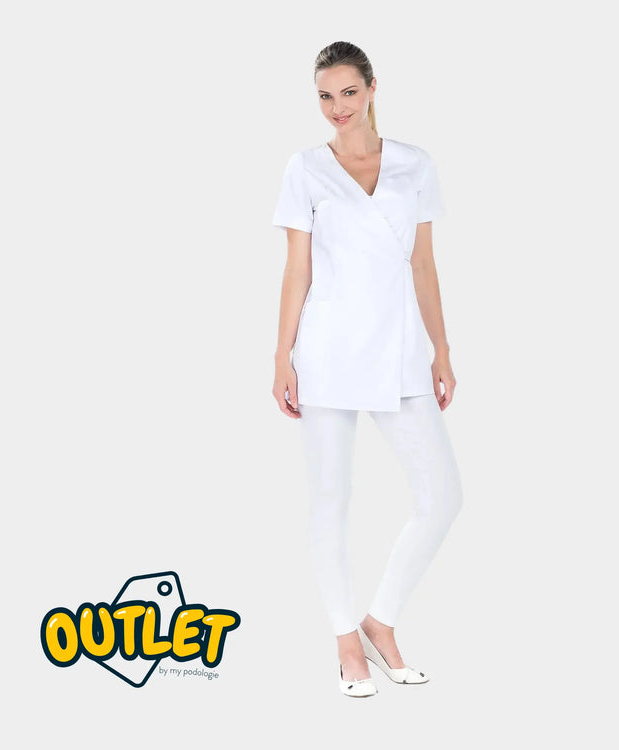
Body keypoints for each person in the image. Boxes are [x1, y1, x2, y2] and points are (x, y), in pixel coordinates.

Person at [271, 41, 462, 698]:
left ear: (373, 88)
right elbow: (297, 269)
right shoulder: (304, 169)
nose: (337, 108)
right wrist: (281, 357)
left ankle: (380, 621)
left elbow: (423, 264)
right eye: (325, 96)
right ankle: (345, 641)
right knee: (331, 499)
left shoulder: (414, 165)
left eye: (348, 92)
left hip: (400, 348)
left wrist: (441, 349)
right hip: (326, 350)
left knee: (442, 497)